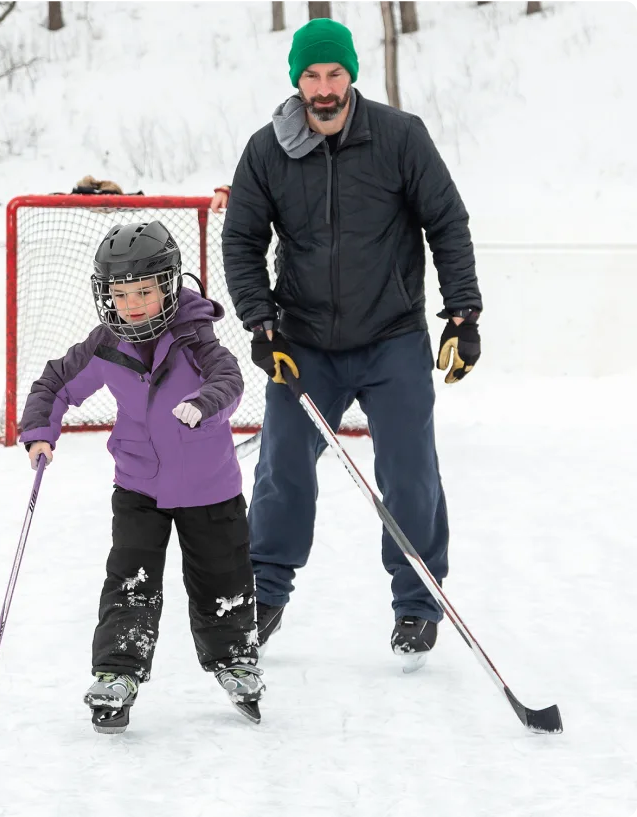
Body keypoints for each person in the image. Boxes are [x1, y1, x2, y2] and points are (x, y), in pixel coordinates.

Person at [221, 19, 483, 672]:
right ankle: (266, 591)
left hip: (392, 335)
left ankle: (418, 602)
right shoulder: (267, 152)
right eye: (311, 76)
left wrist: (463, 314)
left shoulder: (399, 137)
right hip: (304, 340)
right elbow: (242, 240)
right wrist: (261, 324)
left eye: (335, 74)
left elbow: (446, 222)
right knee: (282, 466)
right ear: (296, 81)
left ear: (352, 76)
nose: (324, 89)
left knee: (409, 470)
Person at [19, 220, 264, 733]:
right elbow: (56, 381)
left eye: (145, 292)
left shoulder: (195, 339)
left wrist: (205, 404)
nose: (132, 304)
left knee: (222, 576)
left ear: (170, 286)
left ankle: (235, 659)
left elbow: (229, 379)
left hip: (209, 488)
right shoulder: (108, 344)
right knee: (130, 581)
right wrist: (41, 428)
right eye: (121, 293)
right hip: (138, 486)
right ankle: (117, 672)